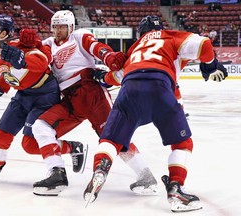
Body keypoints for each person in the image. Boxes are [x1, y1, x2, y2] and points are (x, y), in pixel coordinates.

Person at [83, 15, 228, 212]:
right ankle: (176, 188)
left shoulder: (135, 48)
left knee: (110, 140)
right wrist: (209, 65)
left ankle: (100, 169)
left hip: (129, 88)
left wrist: (102, 79)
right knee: (182, 143)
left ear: (141, 33)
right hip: (160, 86)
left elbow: (117, 76)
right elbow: (204, 43)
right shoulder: (169, 36)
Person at [20, 10, 158, 196]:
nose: (58, 30)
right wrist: (21, 45)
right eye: (56, 26)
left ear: (70, 27)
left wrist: (109, 57)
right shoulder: (48, 44)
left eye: (62, 26)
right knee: (41, 127)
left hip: (91, 93)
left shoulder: (79, 36)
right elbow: (31, 53)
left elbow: (96, 47)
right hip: (69, 99)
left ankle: (146, 176)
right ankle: (57, 174)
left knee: (115, 138)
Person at [0, 14, 87, 183]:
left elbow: (43, 61)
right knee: (1, 135)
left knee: (30, 144)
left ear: (3, 33)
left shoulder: (22, 46)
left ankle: (73, 147)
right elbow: (7, 72)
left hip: (45, 96)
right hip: (23, 94)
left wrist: (23, 58)